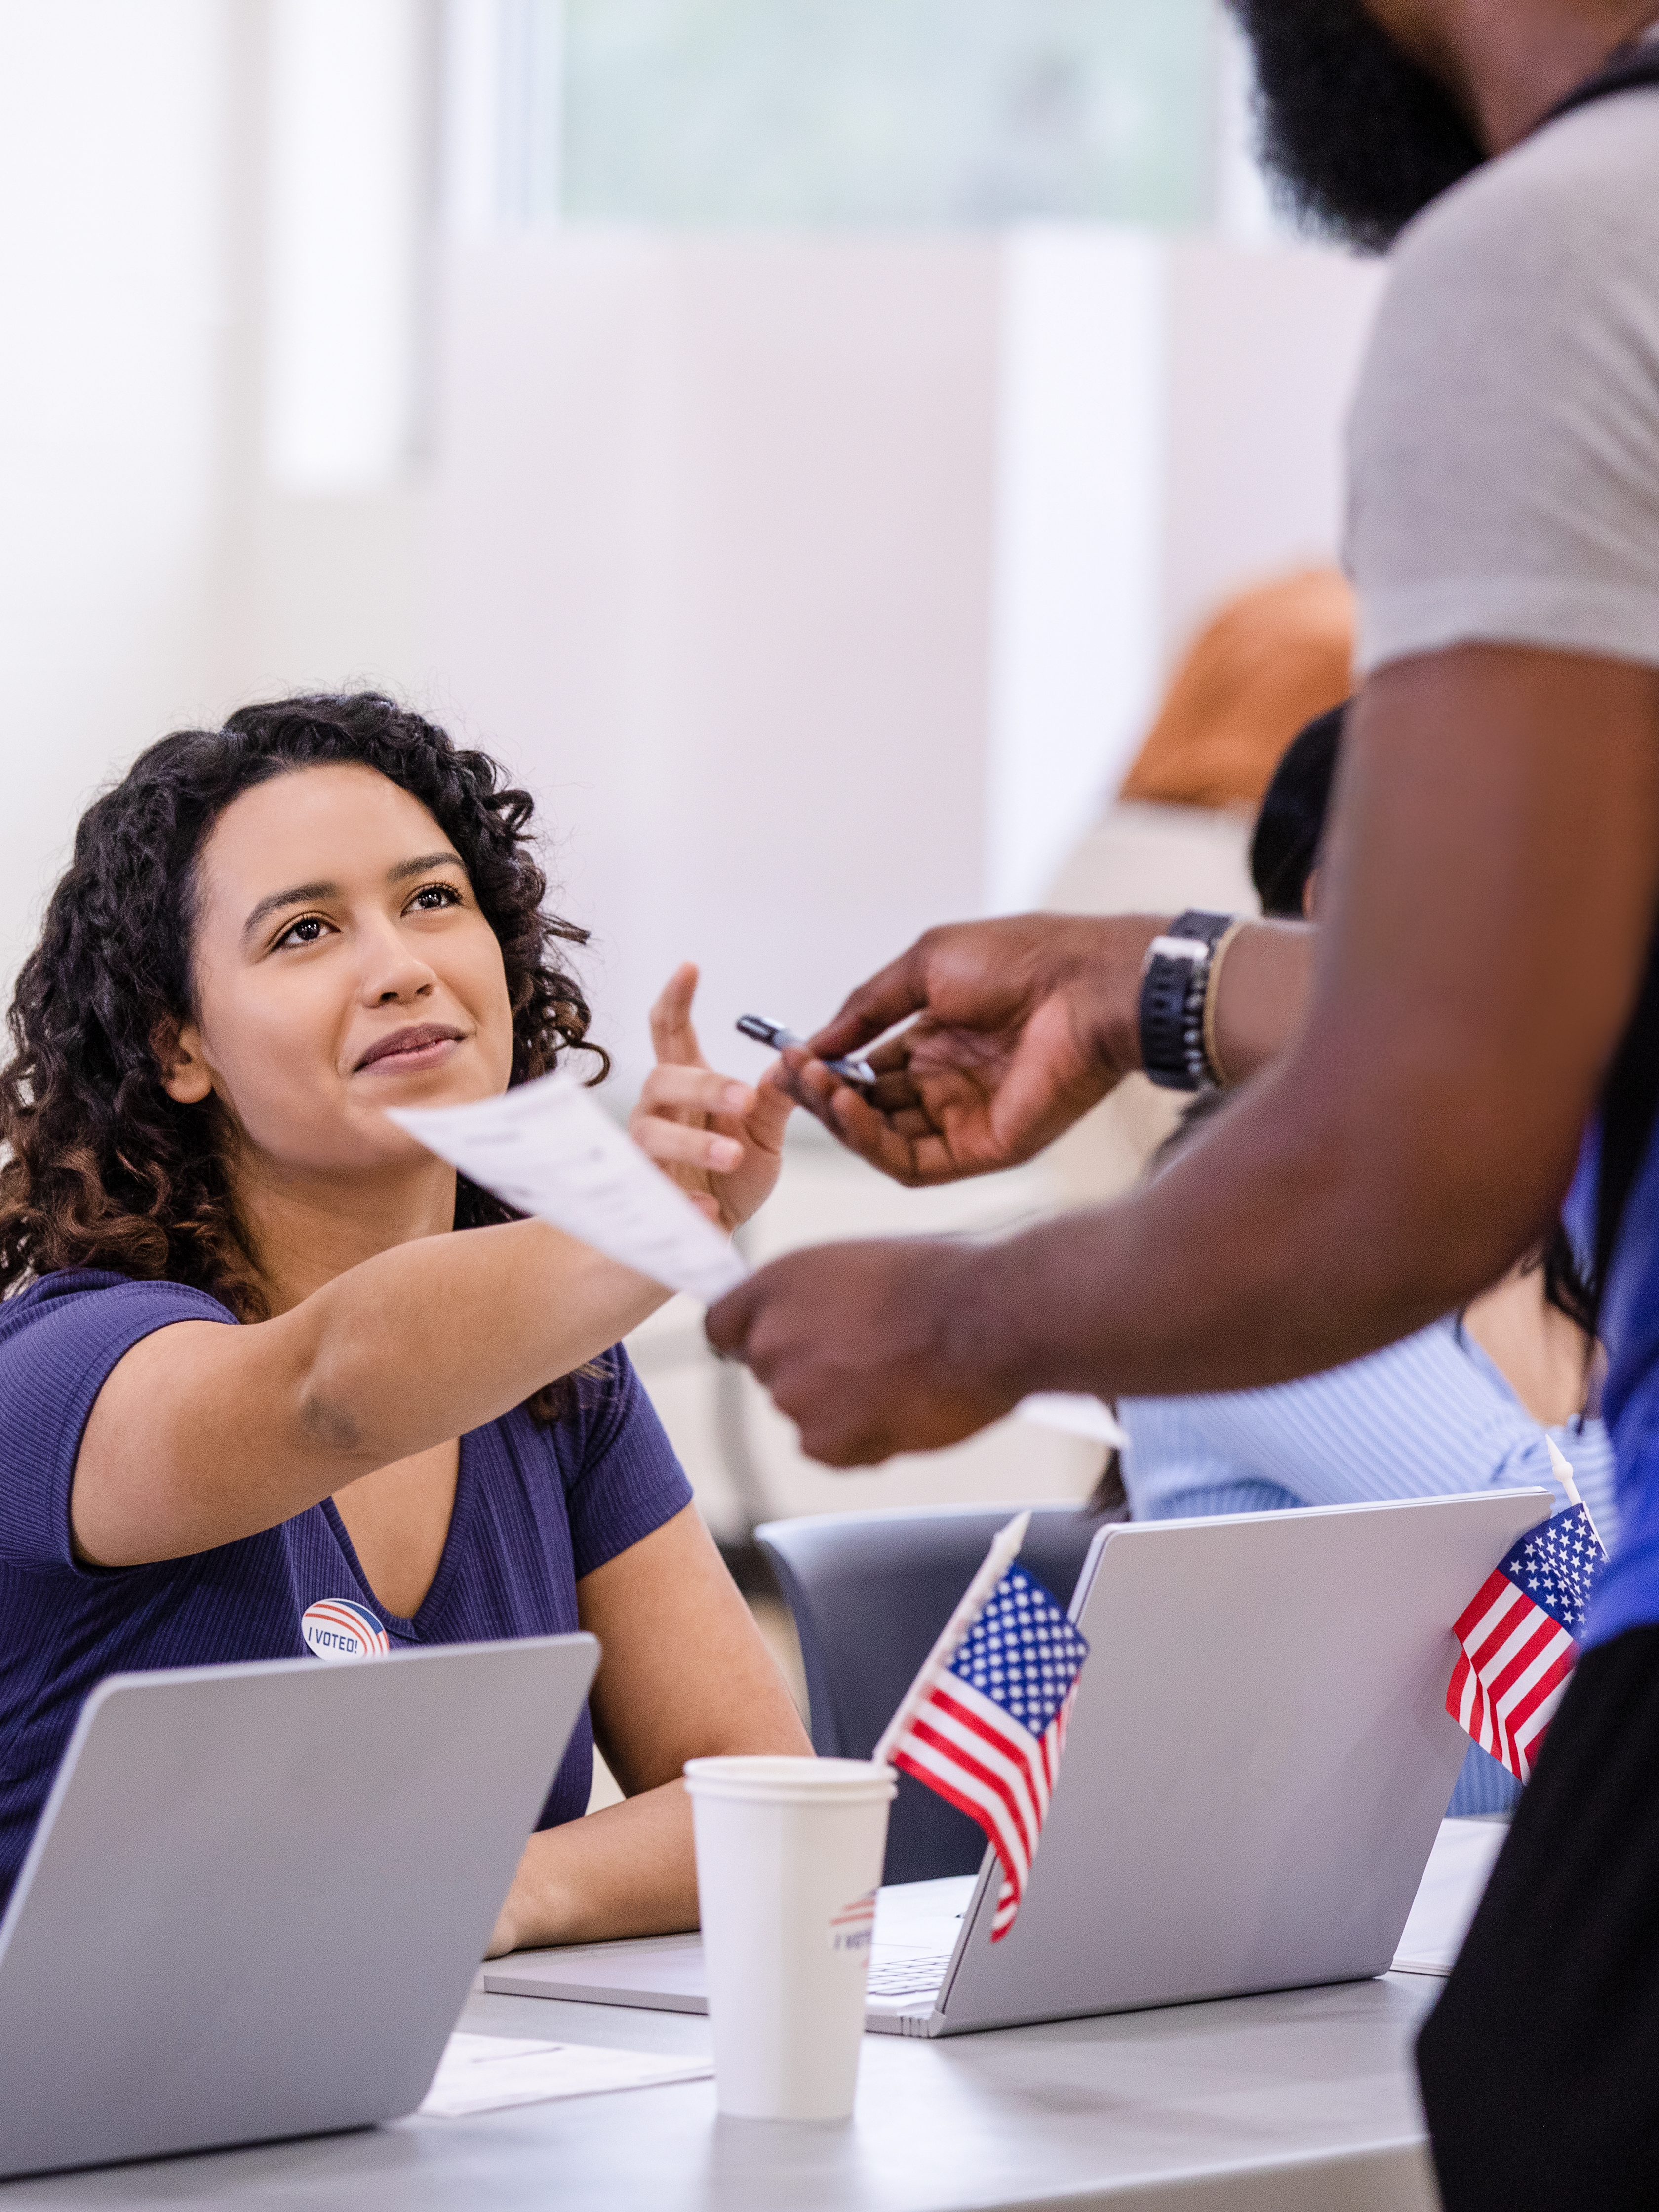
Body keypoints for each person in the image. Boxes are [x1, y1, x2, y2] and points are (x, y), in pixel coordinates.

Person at [705, 4, 1659, 2203]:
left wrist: (964, 1323)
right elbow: (1605, 973)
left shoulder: (1558, 257)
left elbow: (1442, 1127)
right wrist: (1161, 990)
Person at [0, 692, 810, 1956]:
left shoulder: (562, 1378)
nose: (401, 963)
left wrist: (484, 1890)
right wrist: (634, 1222)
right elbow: (331, 1389)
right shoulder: (66, 1368)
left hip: (434, 2108)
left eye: (434, 899)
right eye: (307, 930)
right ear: (181, 1046)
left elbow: (758, 1788)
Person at [1117, 712, 1615, 1816]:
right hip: (1325, 1936)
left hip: (1506, 1881)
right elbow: (1537, 1542)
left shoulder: (1565, 1196)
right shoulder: (1253, 1226)